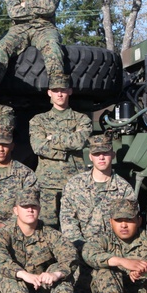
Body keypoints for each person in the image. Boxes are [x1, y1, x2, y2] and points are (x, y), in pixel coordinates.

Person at [60, 134, 136, 293]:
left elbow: (129, 227)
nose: (101, 157)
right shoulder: (75, 185)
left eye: (105, 153)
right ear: (90, 156)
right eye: (97, 154)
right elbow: (68, 221)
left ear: (113, 155)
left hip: (112, 256)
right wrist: (85, 249)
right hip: (82, 254)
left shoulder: (124, 189)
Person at [0, 190, 77, 293]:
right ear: (15, 210)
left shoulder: (51, 234)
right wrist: (23, 274)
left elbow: (70, 254)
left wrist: (55, 274)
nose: (30, 210)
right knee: (2, 274)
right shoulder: (3, 235)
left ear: (39, 209)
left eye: (34, 206)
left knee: (60, 270)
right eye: (25, 206)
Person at [29, 74, 92, 228]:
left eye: (63, 90)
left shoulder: (82, 119)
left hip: (75, 182)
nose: (59, 94)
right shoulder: (38, 120)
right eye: (55, 90)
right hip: (47, 184)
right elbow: (38, 147)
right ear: (49, 92)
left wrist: (53, 138)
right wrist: (66, 150)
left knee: (75, 227)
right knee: (47, 228)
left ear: (69, 91)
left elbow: (79, 142)